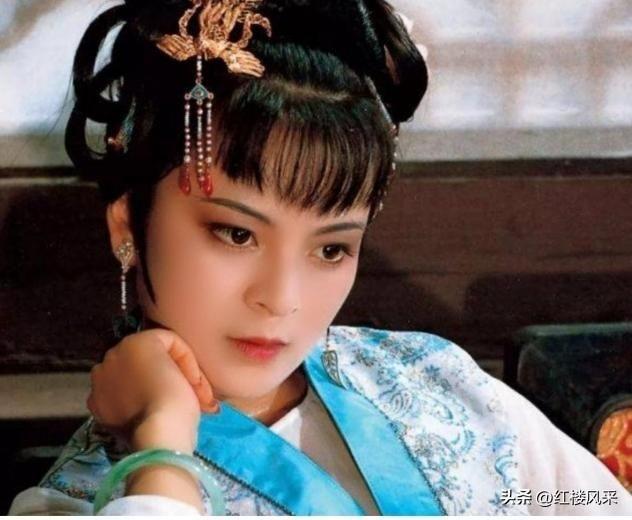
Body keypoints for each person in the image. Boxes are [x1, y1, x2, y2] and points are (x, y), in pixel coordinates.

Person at [9, 0, 632, 515]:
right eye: (236, 234)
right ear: (128, 225)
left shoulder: (432, 377)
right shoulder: (78, 499)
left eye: (331, 248)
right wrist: (163, 445)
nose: (282, 299)